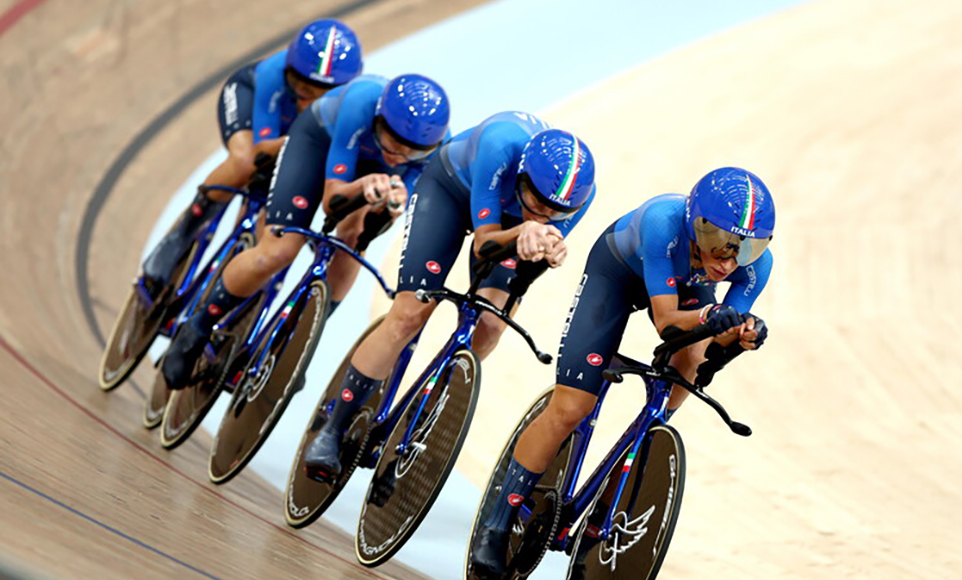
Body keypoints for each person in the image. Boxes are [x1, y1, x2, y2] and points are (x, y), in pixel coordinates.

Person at [469, 167, 776, 576]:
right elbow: (669, 321)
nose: (730, 261)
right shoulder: (663, 224)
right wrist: (709, 314)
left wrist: (742, 334)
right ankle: (496, 524)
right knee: (572, 407)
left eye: (747, 249)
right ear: (696, 225)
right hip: (616, 274)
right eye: (720, 244)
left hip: (683, 288)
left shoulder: (756, 267)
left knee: (689, 363)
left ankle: (612, 495)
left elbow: (717, 334)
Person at [303, 111, 598, 482]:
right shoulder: (499, 146)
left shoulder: (577, 197)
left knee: (491, 323)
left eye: (555, 211)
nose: (542, 212)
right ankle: (333, 427)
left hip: (509, 225)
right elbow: (484, 244)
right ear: (520, 175)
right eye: (535, 199)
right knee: (410, 313)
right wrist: (527, 228)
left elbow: (528, 261)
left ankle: (421, 419)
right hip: (450, 190)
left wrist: (548, 252)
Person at [159, 73, 451, 390]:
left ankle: (299, 339)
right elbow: (331, 200)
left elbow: (385, 214)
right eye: (394, 141)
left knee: (354, 241)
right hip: (317, 144)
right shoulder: (360, 104)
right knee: (280, 250)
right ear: (378, 119)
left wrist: (388, 207)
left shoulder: (434, 149)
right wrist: (362, 186)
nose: (400, 155)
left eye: (414, 152)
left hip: (373, 170)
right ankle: (197, 328)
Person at [140, 18, 363, 298]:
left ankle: (228, 284)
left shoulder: (353, 108)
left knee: (274, 219)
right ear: (290, 73)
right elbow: (262, 151)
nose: (310, 103)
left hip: (297, 136)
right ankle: (181, 234)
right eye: (305, 89)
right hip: (252, 104)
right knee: (245, 163)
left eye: (324, 97)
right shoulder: (272, 74)